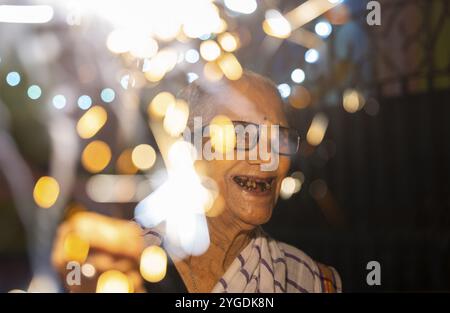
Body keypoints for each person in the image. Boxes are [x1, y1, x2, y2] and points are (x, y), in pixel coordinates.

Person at [52, 71, 342, 293]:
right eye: (241, 135)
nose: (267, 157)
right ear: (187, 147)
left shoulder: (310, 281)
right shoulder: (128, 262)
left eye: (278, 139)